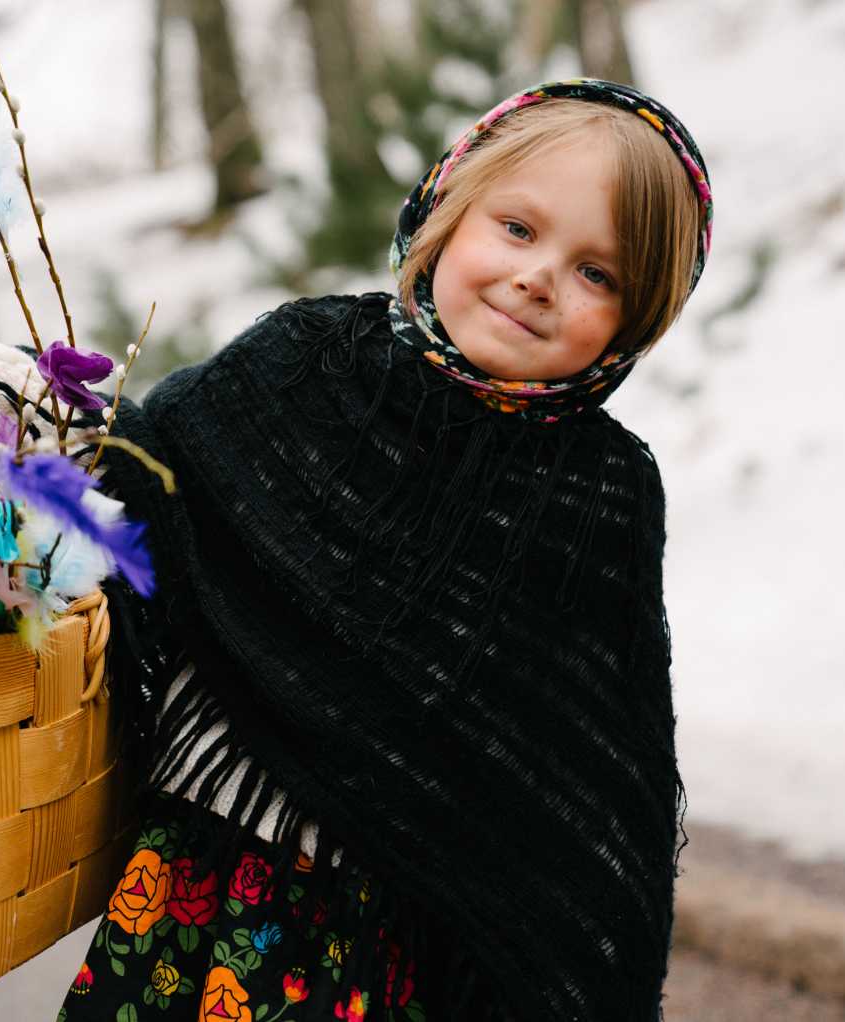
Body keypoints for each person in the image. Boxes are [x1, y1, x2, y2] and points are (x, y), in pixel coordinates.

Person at [57, 79, 714, 1022]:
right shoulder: (306, 361)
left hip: (388, 940)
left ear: (634, 325)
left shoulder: (598, 493)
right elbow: (142, 498)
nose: (539, 278)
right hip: (197, 877)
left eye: (597, 275)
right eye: (517, 229)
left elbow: (590, 780)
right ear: (447, 209)